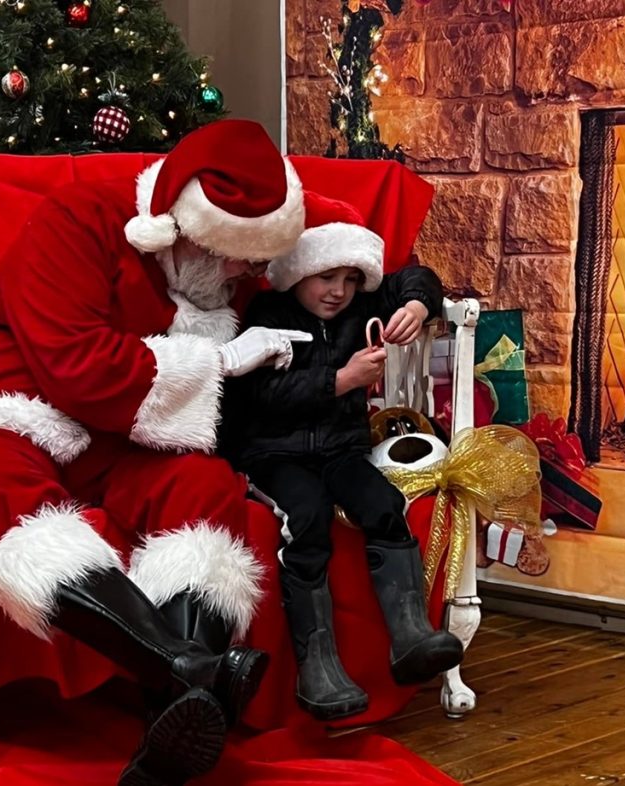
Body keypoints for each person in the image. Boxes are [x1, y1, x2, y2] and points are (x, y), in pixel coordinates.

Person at [0, 119, 310, 786]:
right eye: (241, 257)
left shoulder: (228, 266)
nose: (254, 274)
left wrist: (410, 298)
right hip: (13, 404)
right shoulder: (77, 218)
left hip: (124, 438)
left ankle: (172, 723)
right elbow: (73, 365)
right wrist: (215, 359)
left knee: (203, 485)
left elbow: (348, 247)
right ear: (188, 230)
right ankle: (191, 671)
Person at [223, 192, 464, 722]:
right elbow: (259, 395)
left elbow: (414, 277)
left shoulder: (359, 308)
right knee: (306, 517)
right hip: (274, 453)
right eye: (326, 277)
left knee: (382, 503)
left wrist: (417, 306)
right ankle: (318, 667)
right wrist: (340, 380)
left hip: (340, 449)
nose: (339, 291)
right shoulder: (267, 313)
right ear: (299, 272)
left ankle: (410, 637)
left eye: (351, 279)